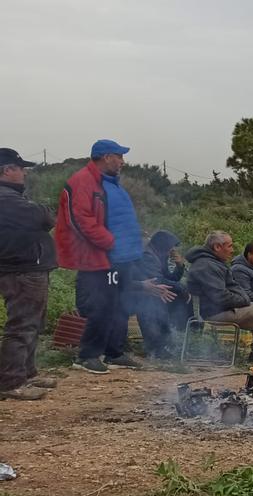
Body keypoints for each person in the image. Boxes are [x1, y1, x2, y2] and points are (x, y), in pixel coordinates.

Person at [56, 140, 170, 374]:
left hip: (120, 259)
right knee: (100, 306)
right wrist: (110, 242)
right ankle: (87, 355)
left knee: (119, 305)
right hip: (98, 259)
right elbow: (80, 220)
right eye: (119, 156)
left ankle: (114, 352)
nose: (122, 162)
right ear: (107, 157)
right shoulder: (83, 181)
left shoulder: (111, 184)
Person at [0, 148, 60, 400]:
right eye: (19, 168)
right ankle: (11, 380)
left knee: (33, 322)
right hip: (21, 269)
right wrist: (41, 208)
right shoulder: (7, 199)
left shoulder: (12, 196)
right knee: (22, 324)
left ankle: (27, 372)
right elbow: (45, 217)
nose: (24, 172)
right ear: (6, 170)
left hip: (27, 267)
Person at [186, 232, 253, 367]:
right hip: (214, 312)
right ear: (217, 247)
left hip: (222, 308)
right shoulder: (207, 266)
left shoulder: (213, 262)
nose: (232, 250)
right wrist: (243, 300)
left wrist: (243, 299)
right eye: (230, 246)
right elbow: (220, 297)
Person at [133, 230, 188, 359]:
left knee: (164, 303)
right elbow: (157, 279)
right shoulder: (148, 255)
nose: (172, 250)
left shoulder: (159, 255)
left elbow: (171, 278)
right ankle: (155, 348)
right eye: (170, 247)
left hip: (152, 290)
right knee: (150, 306)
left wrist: (179, 265)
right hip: (136, 290)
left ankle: (166, 344)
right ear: (163, 245)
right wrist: (182, 289)